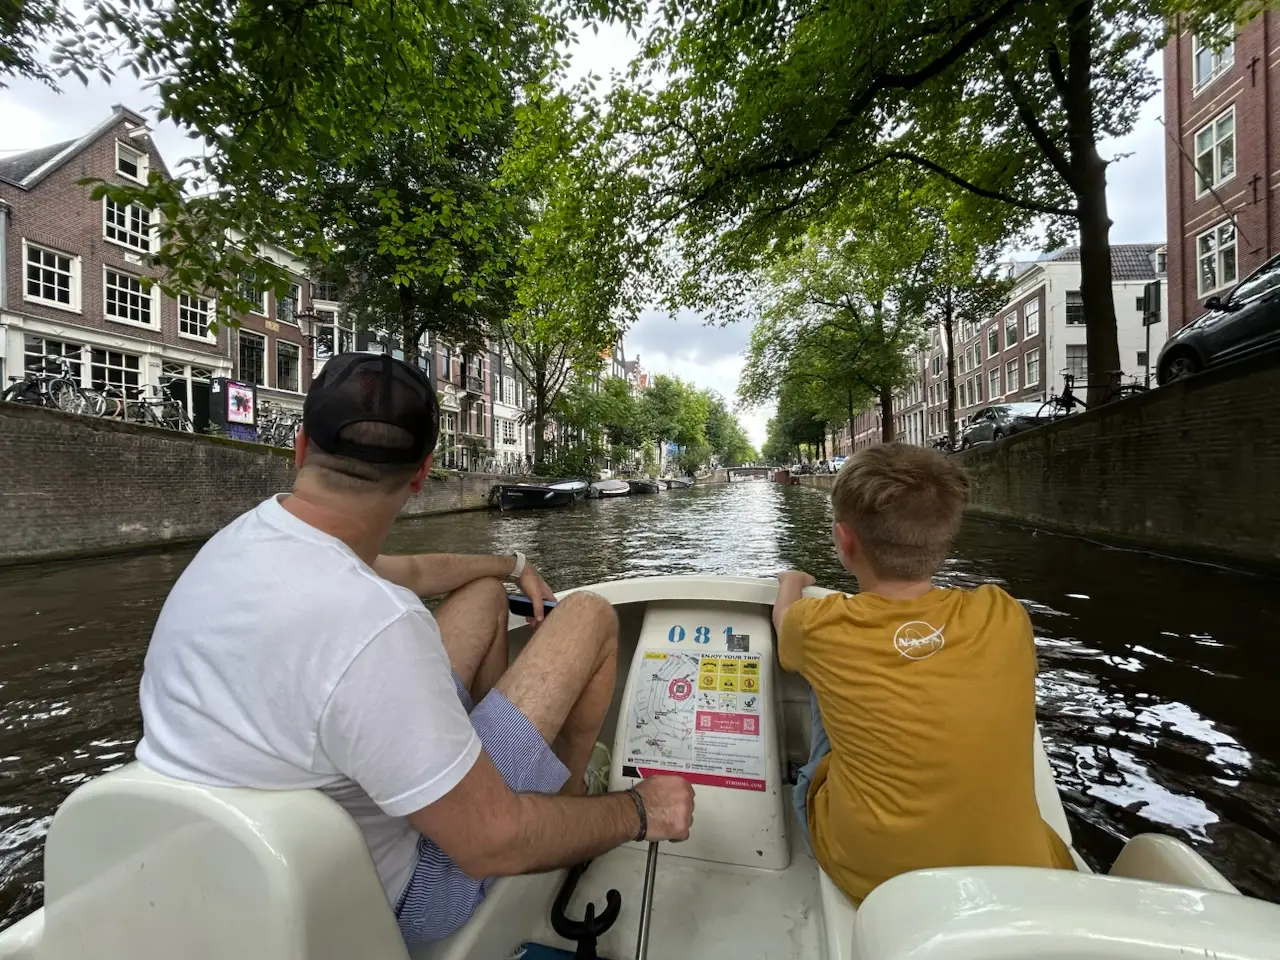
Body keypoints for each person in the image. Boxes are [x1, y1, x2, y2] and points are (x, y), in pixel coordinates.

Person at [136, 353, 695, 945]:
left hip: (226, 873)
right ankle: (569, 793)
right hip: (390, 898)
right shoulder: (378, 625)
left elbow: (416, 569)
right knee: (589, 614)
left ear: (299, 448)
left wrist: (511, 567)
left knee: (481, 594)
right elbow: (491, 842)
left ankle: (475, 766)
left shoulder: (238, 543)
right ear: (422, 473)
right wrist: (640, 810)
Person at [773, 442, 1073, 904]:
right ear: (945, 538)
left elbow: (784, 627)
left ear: (845, 540)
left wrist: (791, 581)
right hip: (1024, 871)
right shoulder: (1004, 613)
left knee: (819, 677)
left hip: (877, 877)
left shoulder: (818, 625)